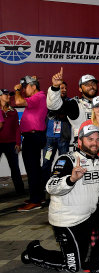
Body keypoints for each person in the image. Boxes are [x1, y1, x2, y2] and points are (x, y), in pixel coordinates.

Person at [21, 125, 99, 273]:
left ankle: (98, 257)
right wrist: (71, 179)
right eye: (90, 139)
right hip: (67, 221)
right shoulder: (67, 160)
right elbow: (50, 187)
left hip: (88, 216)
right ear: (80, 141)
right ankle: (34, 252)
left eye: (98, 139)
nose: (94, 142)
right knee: (72, 266)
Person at [14, 76, 48, 211]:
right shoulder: (37, 97)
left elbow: (18, 101)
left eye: (25, 87)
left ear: (34, 87)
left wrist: (17, 90)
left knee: (32, 169)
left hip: (33, 136)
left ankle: (35, 201)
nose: (23, 90)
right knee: (34, 168)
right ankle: (38, 196)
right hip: (32, 136)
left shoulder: (39, 96)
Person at [47, 69, 98, 144]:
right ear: (80, 89)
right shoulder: (75, 104)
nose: (91, 86)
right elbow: (54, 106)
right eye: (87, 84)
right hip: (82, 149)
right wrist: (55, 87)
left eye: (93, 83)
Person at [41, 81, 71, 188]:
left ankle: (63, 184)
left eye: (65, 88)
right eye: (61, 88)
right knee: (46, 161)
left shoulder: (69, 102)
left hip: (63, 139)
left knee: (63, 162)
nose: (64, 90)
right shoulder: (48, 103)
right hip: (49, 140)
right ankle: (44, 185)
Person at [0, 89, 25, 195]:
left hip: (11, 143)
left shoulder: (13, 111)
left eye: (9, 95)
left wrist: (18, 143)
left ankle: (20, 191)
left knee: (15, 168)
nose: (8, 96)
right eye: (5, 95)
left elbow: (17, 128)